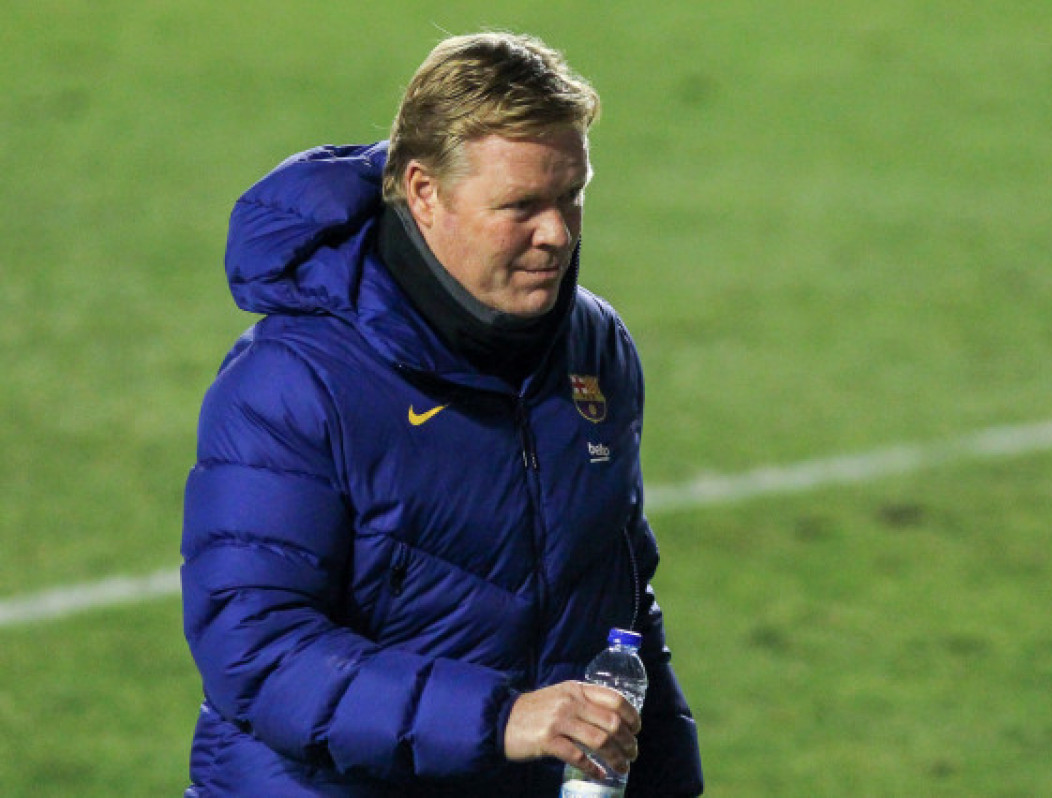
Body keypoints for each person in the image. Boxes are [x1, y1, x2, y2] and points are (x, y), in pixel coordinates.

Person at [181, 32, 704, 797]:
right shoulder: (294, 382)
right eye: (521, 206)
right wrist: (500, 719)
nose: (557, 234)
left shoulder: (592, 346)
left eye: (572, 196)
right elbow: (258, 652)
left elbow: (615, 603)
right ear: (424, 193)